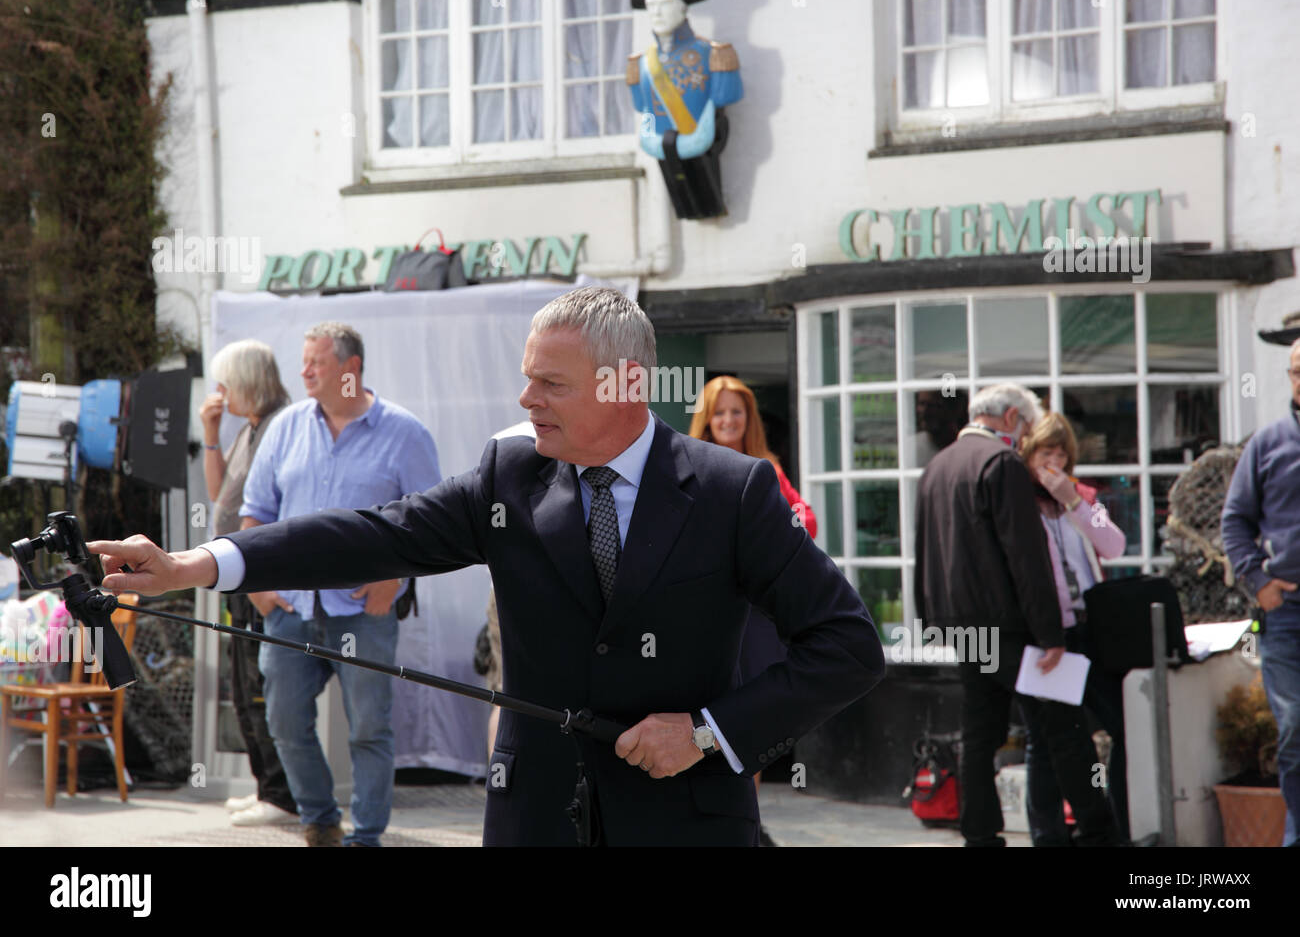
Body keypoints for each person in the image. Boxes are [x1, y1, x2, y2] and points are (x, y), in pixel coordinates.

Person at [90, 287, 885, 847]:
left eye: (550, 382)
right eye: (527, 375)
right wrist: (198, 562)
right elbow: (372, 534)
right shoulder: (510, 476)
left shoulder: (730, 491)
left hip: (687, 820)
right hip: (533, 818)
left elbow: (848, 644)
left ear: (625, 383)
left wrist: (709, 735)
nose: (525, 395)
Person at [234, 321, 441, 847]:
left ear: (350, 369)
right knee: (283, 723)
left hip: (363, 613)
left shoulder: (406, 433)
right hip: (288, 609)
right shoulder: (284, 428)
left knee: (369, 730)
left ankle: (366, 837)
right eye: (304, 361)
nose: (303, 372)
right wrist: (257, 587)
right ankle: (320, 820)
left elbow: (434, 526)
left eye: (316, 363)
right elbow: (255, 513)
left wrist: (392, 580)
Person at [914, 383, 1118, 847]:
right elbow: (1026, 559)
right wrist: (1051, 634)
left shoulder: (936, 466)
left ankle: (981, 837)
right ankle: (1100, 832)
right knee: (1065, 730)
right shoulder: (1001, 463)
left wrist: (928, 619)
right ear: (1010, 419)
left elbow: (923, 551)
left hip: (962, 628)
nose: (1024, 438)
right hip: (1010, 629)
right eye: (1025, 426)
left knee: (979, 735)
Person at [689, 375, 816, 845]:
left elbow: (806, 518)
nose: (727, 420)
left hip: (756, 617)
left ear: (749, 418)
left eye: (736, 412)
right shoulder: (688, 465)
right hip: (706, 613)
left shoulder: (768, 467)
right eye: (719, 412)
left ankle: (749, 820)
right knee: (704, 714)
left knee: (752, 719)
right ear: (706, 417)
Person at [1018, 412, 1130, 844]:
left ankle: (1116, 822)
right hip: (1049, 634)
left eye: (1063, 453)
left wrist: (1075, 503)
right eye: (1047, 453)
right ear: (1028, 455)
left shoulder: (1078, 497)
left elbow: (1114, 545)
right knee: (1045, 741)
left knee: (1121, 724)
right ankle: (1048, 835)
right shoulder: (1018, 504)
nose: (1055, 462)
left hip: (1089, 629)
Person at [200, 339, 296, 827]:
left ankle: (281, 794)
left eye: (225, 383)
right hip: (238, 578)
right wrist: (212, 434)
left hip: (258, 578)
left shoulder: (281, 425)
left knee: (260, 688)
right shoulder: (250, 429)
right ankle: (267, 787)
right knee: (242, 687)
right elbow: (220, 495)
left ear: (246, 382)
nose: (220, 393)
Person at [1221, 336, 1300, 847]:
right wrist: (1259, 582)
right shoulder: (1267, 443)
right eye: (1294, 371)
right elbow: (1234, 521)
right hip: (1287, 612)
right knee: (1295, 729)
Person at [626, 0, 742, 220]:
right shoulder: (641, 64)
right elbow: (645, 113)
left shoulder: (715, 55)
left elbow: (720, 103)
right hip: (662, 148)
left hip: (703, 145)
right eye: (651, 4)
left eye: (665, 3)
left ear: (683, 7)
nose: (656, 11)